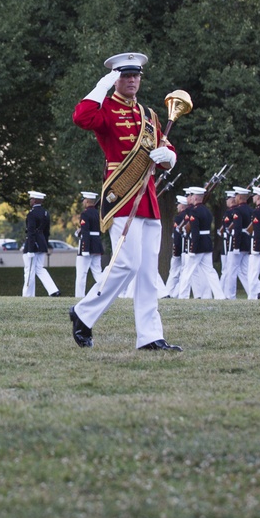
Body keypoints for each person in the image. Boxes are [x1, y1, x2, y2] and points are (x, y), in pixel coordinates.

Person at [68, 52, 182, 351]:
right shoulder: (105, 109)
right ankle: (84, 312)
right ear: (115, 79)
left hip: (147, 198)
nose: (131, 80)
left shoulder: (149, 115)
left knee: (147, 271)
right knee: (126, 264)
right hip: (121, 195)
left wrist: (168, 157)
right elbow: (81, 117)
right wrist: (101, 86)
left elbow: (164, 145)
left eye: (135, 76)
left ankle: (150, 336)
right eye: (125, 76)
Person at [177, 186, 224, 299]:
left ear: (196, 198)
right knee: (210, 271)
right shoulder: (207, 211)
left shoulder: (194, 212)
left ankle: (183, 296)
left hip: (197, 246)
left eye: (191, 195)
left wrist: (192, 248)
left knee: (187, 271)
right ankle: (219, 295)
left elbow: (195, 231)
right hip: (207, 243)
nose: (190, 198)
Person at [21, 191, 60, 297]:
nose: (30, 201)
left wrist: (30, 249)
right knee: (39, 268)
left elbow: (31, 231)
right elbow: (46, 232)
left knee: (29, 270)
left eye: (31, 199)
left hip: (32, 245)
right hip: (42, 243)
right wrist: (45, 245)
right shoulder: (45, 213)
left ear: (34, 200)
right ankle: (53, 290)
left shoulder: (32, 214)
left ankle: (28, 295)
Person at [74, 191, 102, 298]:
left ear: (86, 201)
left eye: (83, 200)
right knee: (98, 273)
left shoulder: (85, 214)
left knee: (81, 274)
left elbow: (86, 232)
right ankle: (103, 292)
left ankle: (79, 296)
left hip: (87, 246)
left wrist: (84, 249)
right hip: (96, 245)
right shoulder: (97, 213)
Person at [163, 194, 188, 298]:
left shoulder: (179, 217)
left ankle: (169, 292)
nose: (177, 206)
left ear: (182, 206)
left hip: (179, 248)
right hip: (185, 248)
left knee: (174, 272)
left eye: (178, 204)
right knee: (182, 272)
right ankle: (174, 293)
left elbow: (177, 236)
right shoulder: (187, 215)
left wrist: (176, 249)